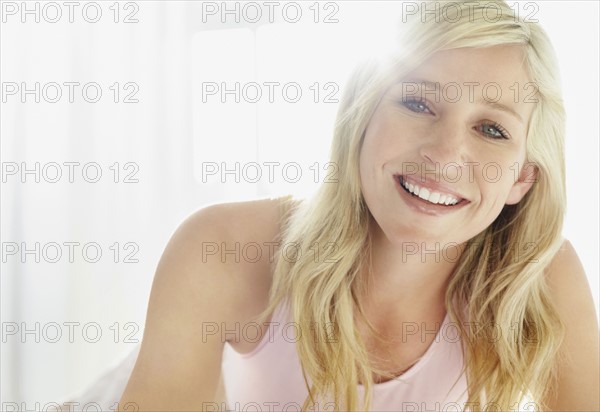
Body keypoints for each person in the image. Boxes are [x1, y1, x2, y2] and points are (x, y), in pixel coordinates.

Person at [119, 1, 600, 411]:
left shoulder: (542, 276)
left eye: (492, 129)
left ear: (523, 176)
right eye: (417, 103)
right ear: (362, 116)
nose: (445, 155)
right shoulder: (224, 249)